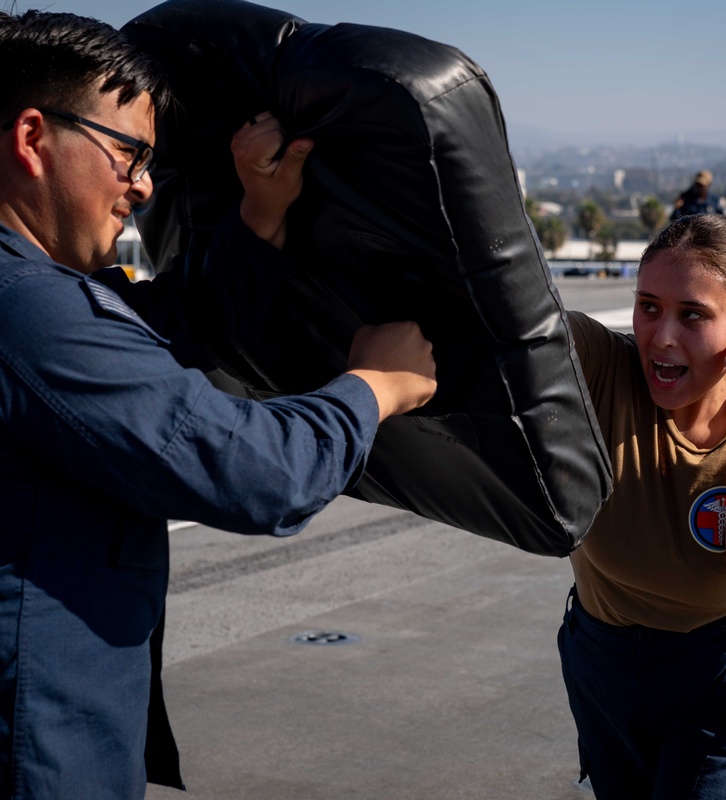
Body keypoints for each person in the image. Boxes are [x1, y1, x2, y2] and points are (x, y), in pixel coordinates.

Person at [0, 9, 435, 799]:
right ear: (33, 138)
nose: (141, 186)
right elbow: (252, 472)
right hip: (38, 754)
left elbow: (153, 334)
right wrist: (376, 387)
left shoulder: (45, 300)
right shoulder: (27, 311)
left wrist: (261, 213)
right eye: (129, 153)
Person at [558, 213, 726, 799]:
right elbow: (503, 313)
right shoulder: (601, 366)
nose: (660, 337)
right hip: (606, 662)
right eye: (648, 306)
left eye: (693, 315)